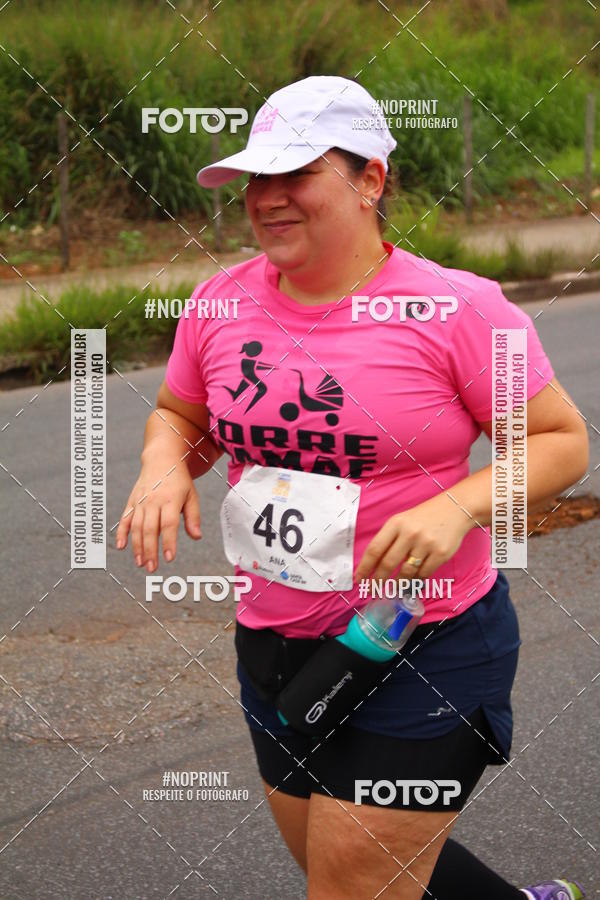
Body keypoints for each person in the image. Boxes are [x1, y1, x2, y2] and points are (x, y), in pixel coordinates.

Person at [116, 76, 589, 899]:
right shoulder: (218, 305)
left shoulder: (458, 309)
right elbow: (178, 415)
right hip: (273, 646)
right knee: (357, 868)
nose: (268, 199)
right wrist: (163, 462)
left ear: (371, 177)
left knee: (351, 886)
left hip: (425, 641)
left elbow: (559, 442)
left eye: (295, 174)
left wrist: (461, 503)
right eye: (257, 179)